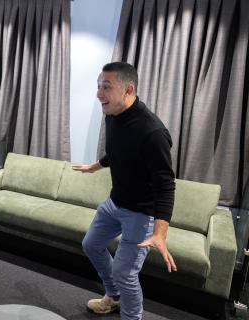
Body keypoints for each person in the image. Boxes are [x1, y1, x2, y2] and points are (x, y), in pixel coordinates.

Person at [72, 62, 177, 320]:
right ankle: (114, 298)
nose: (98, 94)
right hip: (114, 204)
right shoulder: (112, 115)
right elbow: (118, 151)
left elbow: (166, 185)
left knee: (124, 272)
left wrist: (160, 233)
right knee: (91, 244)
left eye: (106, 87)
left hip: (141, 214)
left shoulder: (152, 132)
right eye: (98, 86)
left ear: (128, 89)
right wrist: (95, 166)